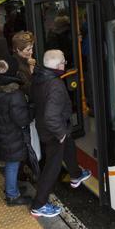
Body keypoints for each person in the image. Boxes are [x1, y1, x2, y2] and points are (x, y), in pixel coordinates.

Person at [29, 50, 91, 217]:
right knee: (52, 167)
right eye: (64, 62)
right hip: (53, 132)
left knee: (69, 145)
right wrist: (61, 133)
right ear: (58, 66)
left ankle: (76, 175)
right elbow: (51, 116)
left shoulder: (39, 75)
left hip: (48, 127)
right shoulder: (55, 84)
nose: (65, 64)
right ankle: (39, 205)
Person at [0, 58, 32, 206]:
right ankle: (12, 195)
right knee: (12, 162)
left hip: (0, 129)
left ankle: (12, 187)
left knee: (10, 161)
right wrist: (32, 110)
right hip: (12, 133)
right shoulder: (14, 94)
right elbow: (22, 120)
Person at [11, 31, 36, 96]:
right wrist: (31, 71)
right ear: (18, 49)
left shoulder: (25, 59)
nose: (31, 52)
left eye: (32, 48)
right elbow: (30, 91)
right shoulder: (16, 67)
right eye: (28, 50)